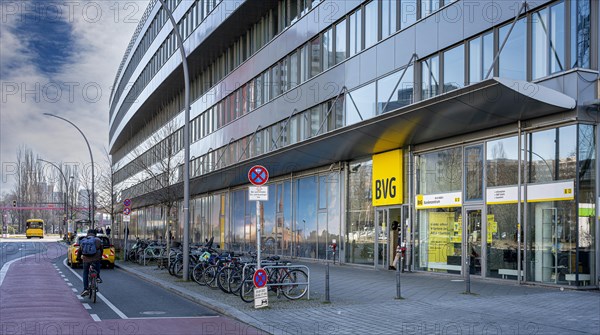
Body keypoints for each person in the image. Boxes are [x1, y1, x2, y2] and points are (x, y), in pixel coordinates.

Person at [78, 229, 103, 296]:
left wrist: (78, 258)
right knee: (97, 264)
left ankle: (85, 289)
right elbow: (101, 249)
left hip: (86, 259)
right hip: (96, 258)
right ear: (95, 234)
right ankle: (97, 277)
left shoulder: (84, 240)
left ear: (88, 233)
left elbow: (80, 250)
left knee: (85, 272)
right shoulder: (98, 240)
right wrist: (100, 257)